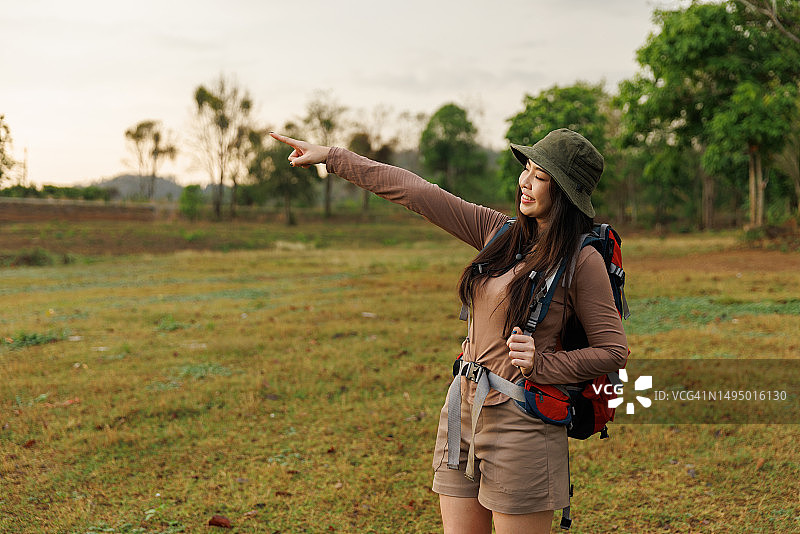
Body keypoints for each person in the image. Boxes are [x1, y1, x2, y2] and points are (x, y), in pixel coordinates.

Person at [271, 129, 628, 534]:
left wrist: (542, 363)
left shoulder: (582, 261)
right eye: (526, 170)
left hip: (522, 422)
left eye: (540, 176)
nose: (524, 182)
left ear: (564, 191)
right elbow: (417, 193)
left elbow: (613, 351)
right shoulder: (501, 233)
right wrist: (333, 158)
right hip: (462, 410)